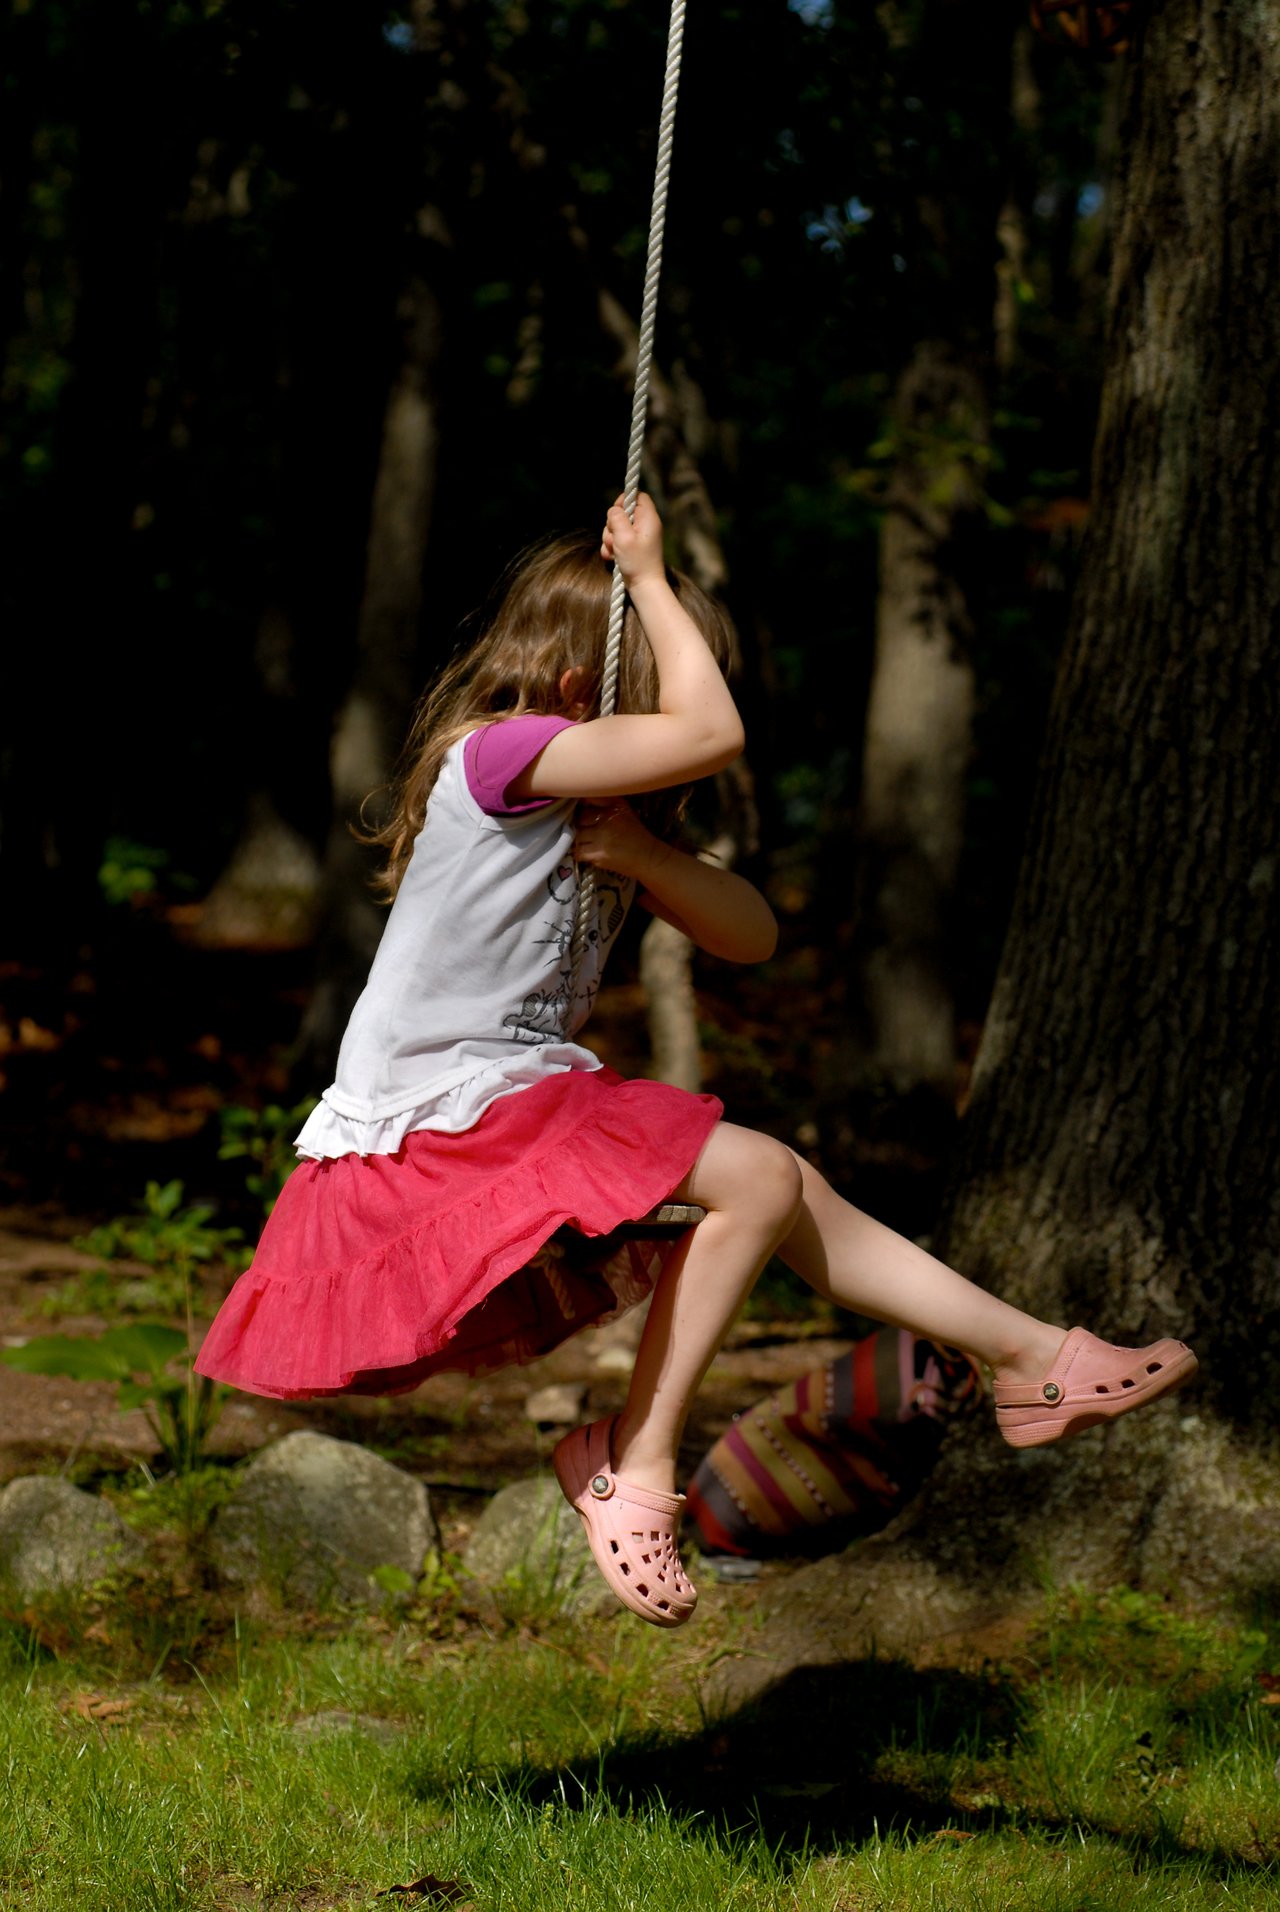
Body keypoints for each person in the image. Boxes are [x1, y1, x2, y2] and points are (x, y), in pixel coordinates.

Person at [196, 493, 1197, 1630]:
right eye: (656, 683)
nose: (676, 705)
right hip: (442, 1112)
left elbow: (750, 934)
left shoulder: (597, 816)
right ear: (582, 684)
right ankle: (636, 1459)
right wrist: (651, 581)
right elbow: (710, 733)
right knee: (759, 1175)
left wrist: (645, 854)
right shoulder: (502, 753)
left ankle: (1028, 1360)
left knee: (789, 1189)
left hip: (517, 1092)